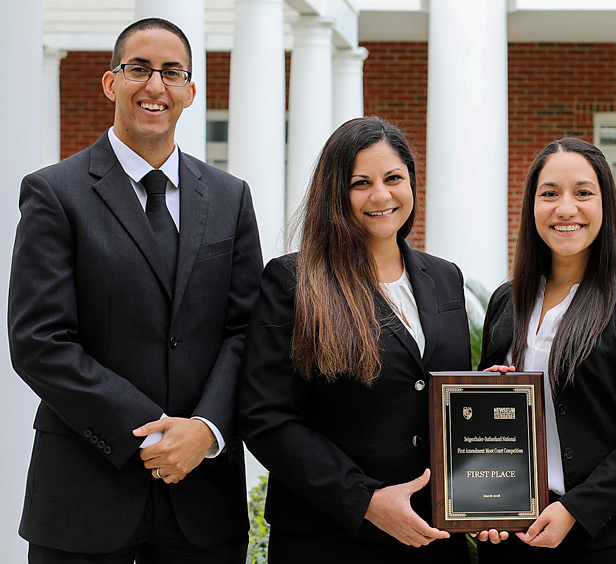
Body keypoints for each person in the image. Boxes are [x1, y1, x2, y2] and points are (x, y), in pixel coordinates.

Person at [8, 18, 262, 563]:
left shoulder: (230, 198)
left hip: (204, 497)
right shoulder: (54, 194)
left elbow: (247, 332)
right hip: (83, 493)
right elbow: (40, 342)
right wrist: (148, 436)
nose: (155, 86)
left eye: (172, 73)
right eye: (139, 69)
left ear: (191, 92)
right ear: (110, 82)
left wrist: (206, 429)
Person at [238, 116, 471, 562]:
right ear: (334, 194)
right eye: (360, 182)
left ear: (412, 184)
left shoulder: (445, 278)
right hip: (331, 535)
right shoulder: (293, 281)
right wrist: (365, 500)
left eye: (393, 178)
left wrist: (489, 391)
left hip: (434, 534)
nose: (380, 195)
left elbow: (445, 389)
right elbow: (266, 417)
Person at [476, 137, 616, 563]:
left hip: (605, 537)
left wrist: (577, 508)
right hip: (514, 532)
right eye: (549, 193)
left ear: (605, 204)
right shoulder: (507, 300)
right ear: (532, 207)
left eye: (583, 193)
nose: (565, 208)